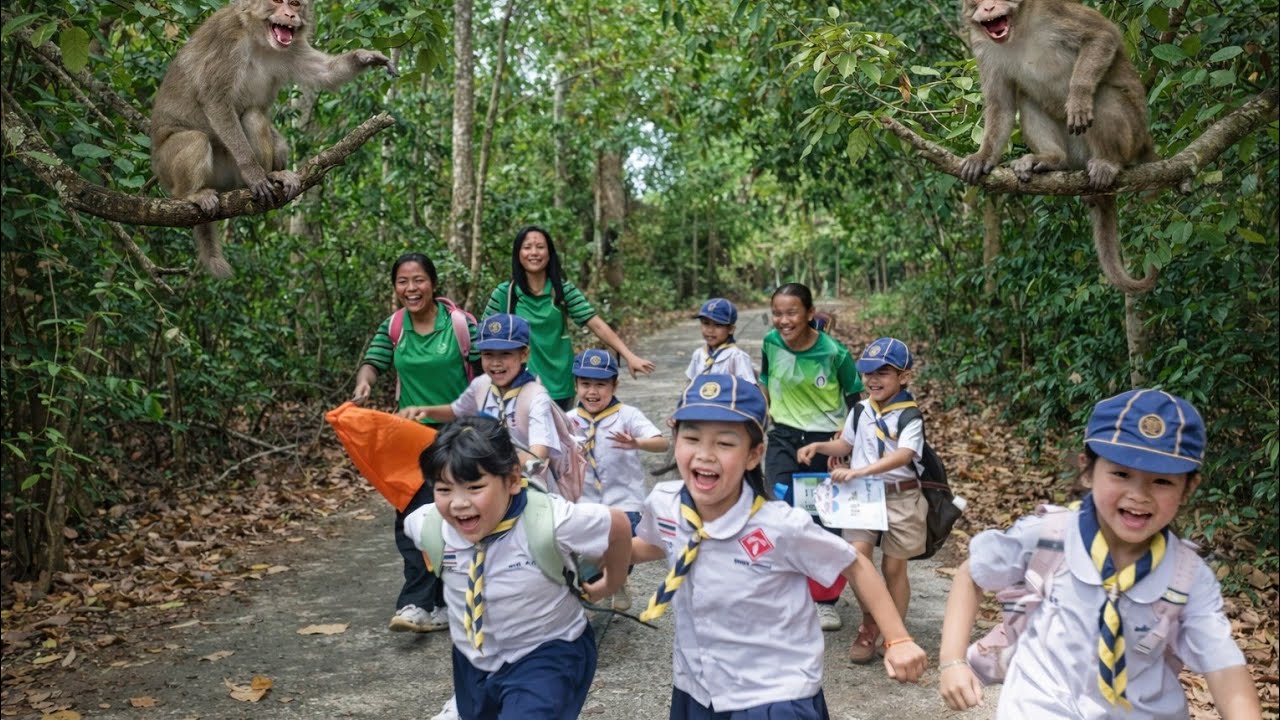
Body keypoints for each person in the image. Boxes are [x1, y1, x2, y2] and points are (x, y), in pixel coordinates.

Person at [938, 389, 1262, 719]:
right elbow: (971, 573)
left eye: (1162, 481)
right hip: (1040, 707)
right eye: (1121, 474)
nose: (1139, 495)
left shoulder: (1189, 576)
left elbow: (1224, 668)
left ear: (1188, 488)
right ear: (1088, 469)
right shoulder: (1050, 537)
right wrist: (952, 662)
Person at [630, 375, 927, 719]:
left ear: (754, 455)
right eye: (691, 438)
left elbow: (855, 564)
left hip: (774, 693)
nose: (704, 454)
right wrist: (604, 561)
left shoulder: (781, 525)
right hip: (697, 685)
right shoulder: (665, 503)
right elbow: (653, 544)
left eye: (725, 443)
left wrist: (898, 639)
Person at [405, 416, 632, 720]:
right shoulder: (425, 524)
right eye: (444, 489)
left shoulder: (552, 520)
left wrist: (612, 581)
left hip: (548, 652)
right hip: (473, 660)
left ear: (512, 480)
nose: (458, 503)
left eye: (474, 487)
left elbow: (618, 525)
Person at [352, 252, 476, 634]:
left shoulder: (460, 324)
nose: (411, 288)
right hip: (410, 439)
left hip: (460, 436)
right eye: (403, 282)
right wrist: (366, 380)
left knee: (459, 516)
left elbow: (492, 371)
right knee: (411, 519)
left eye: (418, 280)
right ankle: (417, 602)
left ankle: (454, 599)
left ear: (433, 283)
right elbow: (373, 360)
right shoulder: (395, 327)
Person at [796, 337, 928, 663]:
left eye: (883, 372)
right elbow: (846, 446)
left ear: (904, 376)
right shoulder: (861, 410)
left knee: (894, 567)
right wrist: (820, 448)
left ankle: (895, 638)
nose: (873, 379)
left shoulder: (909, 416)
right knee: (856, 558)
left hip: (900, 496)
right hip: (862, 496)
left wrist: (861, 470)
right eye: (868, 372)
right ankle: (871, 624)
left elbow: (904, 455)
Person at [758, 282, 863, 630]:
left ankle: (825, 600)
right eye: (777, 313)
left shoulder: (835, 353)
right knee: (781, 511)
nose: (783, 320)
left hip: (824, 444)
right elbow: (766, 380)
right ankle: (786, 591)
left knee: (821, 520)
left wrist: (843, 440)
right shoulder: (770, 343)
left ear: (808, 313)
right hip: (784, 438)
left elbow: (856, 400)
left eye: (791, 313)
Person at [484, 225, 655, 410]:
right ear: (518, 253)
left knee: (561, 438)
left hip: (560, 384)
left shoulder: (562, 291)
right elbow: (482, 337)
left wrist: (629, 356)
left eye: (540, 247)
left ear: (549, 253)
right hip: (519, 385)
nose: (534, 252)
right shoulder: (506, 294)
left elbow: (596, 324)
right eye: (527, 247)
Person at [399, 314, 560, 478]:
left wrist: (500, 469)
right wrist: (424, 411)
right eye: (488, 354)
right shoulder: (481, 384)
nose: (496, 363)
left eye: (505, 354)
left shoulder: (536, 396)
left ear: (524, 354)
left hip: (528, 481)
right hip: (488, 480)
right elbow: (456, 411)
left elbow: (538, 452)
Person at [569, 349, 669, 610]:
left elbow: (662, 444)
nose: (592, 391)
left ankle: (617, 578)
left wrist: (637, 442)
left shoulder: (628, 415)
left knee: (624, 549)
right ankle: (607, 580)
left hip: (625, 502)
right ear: (576, 385)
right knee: (589, 552)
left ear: (615, 385)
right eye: (585, 384)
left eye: (601, 384)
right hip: (585, 501)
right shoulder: (568, 421)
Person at [683, 298, 756, 384]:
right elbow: (690, 383)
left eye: (718, 325)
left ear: (731, 329)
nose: (710, 330)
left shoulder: (736, 357)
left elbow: (749, 389)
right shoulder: (698, 354)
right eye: (706, 323)